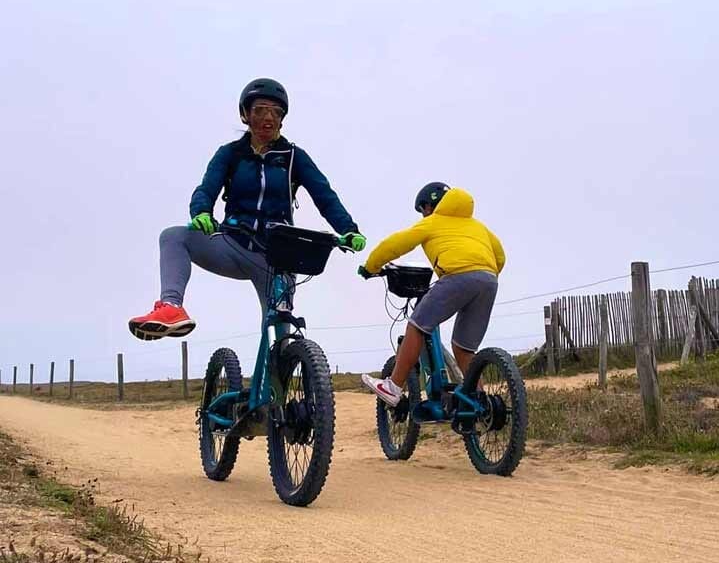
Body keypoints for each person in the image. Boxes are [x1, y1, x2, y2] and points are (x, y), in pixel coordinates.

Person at [129, 78, 365, 340]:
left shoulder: (294, 157)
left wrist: (348, 229)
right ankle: (172, 306)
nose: (268, 118)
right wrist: (202, 212)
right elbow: (206, 189)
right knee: (174, 236)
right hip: (233, 244)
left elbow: (325, 196)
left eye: (276, 112)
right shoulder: (230, 154)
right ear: (245, 115)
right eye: (260, 110)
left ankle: (281, 363)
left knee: (279, 335)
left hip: (278, 256)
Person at [358, 182, 505, 406]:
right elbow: (500, 256)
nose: (423, 214)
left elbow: (395, 244)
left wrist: (371, 266)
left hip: (457, 277)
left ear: (429, 206)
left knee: (417, 325)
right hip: (489, 280)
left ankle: (393, 387)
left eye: (422, 209)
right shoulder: (478, 226)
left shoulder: (432, 222)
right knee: (463, 348)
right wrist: (482, 272)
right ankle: (480, 404)